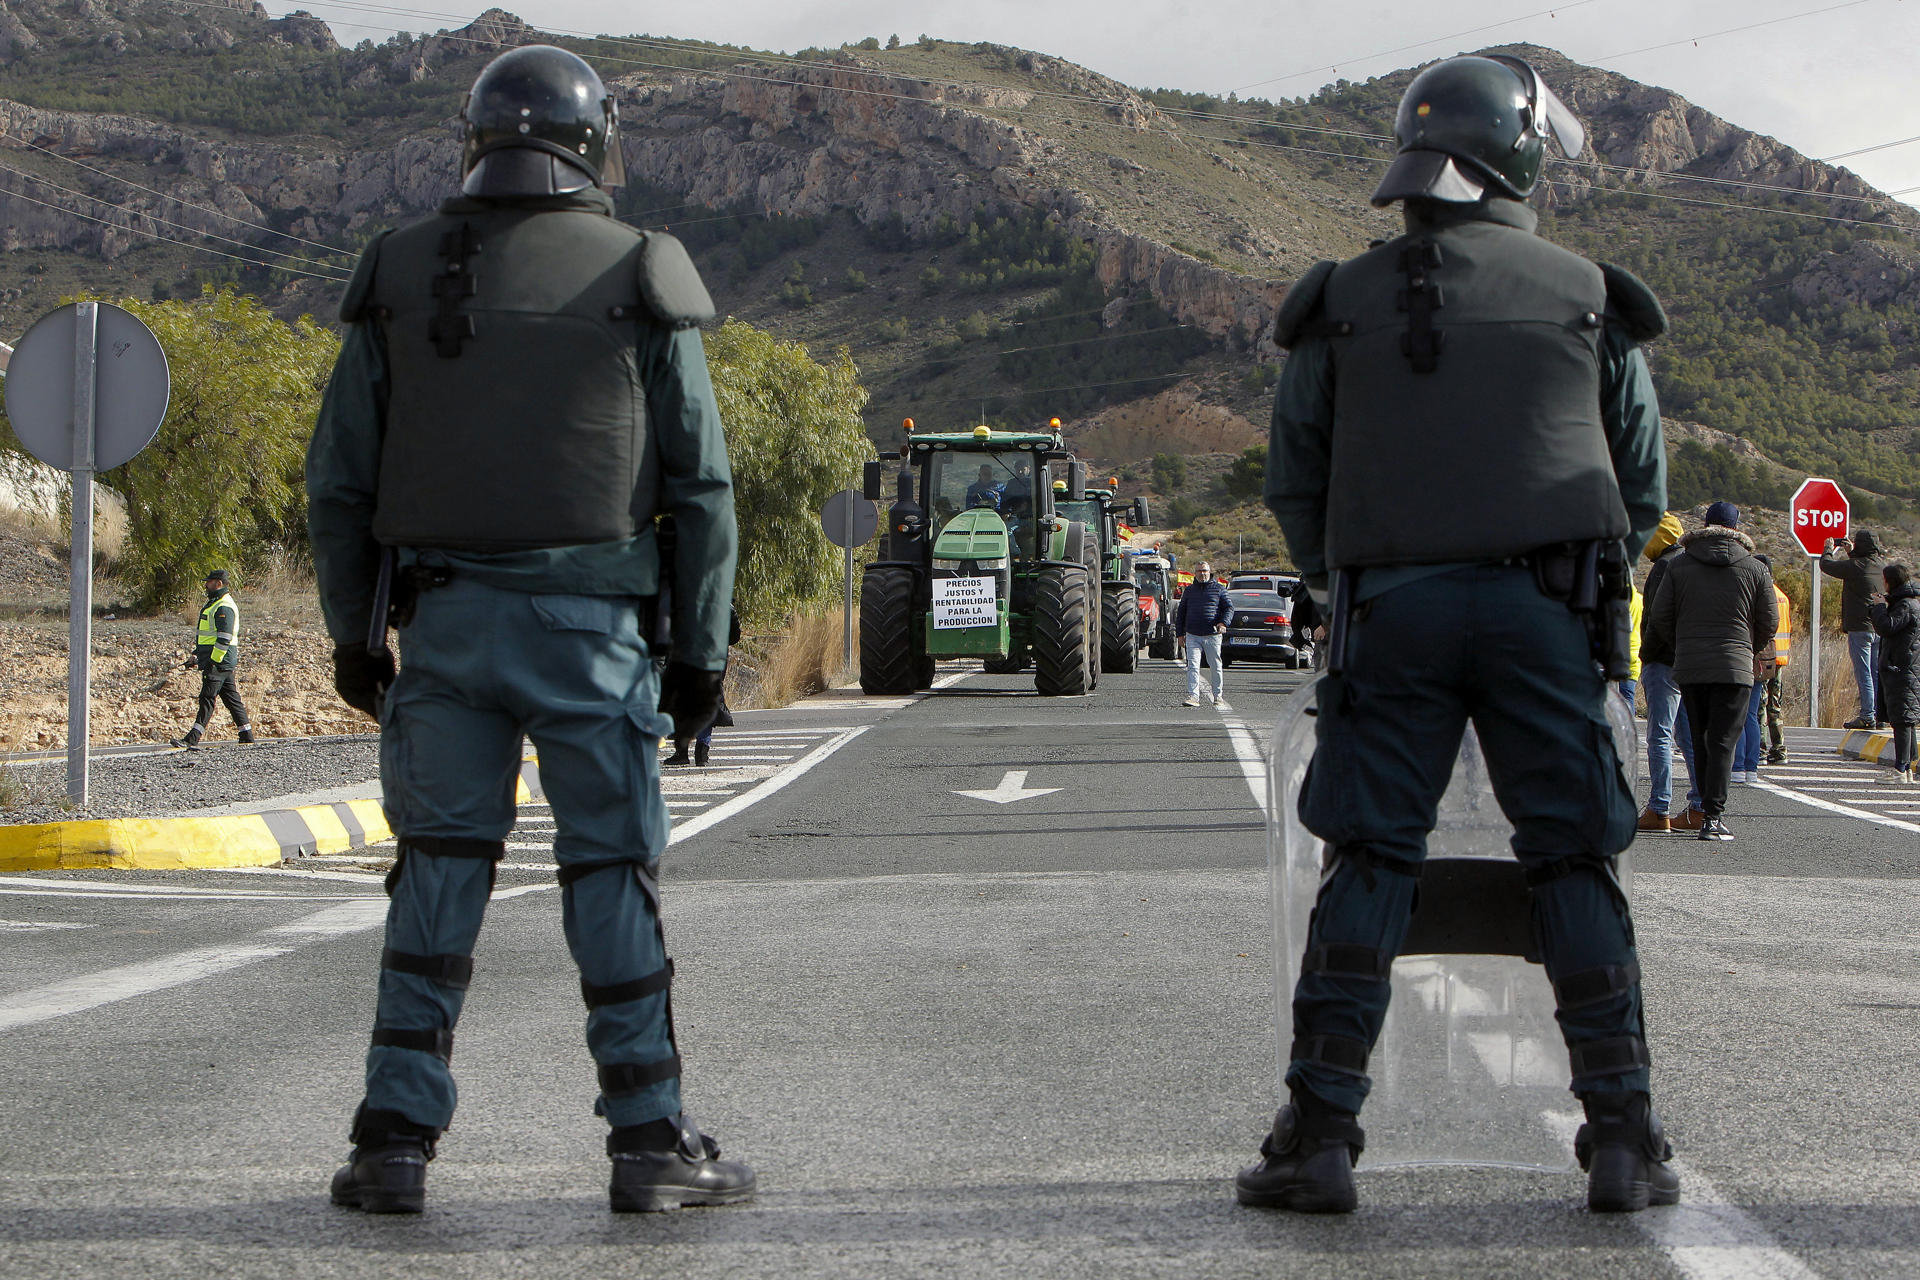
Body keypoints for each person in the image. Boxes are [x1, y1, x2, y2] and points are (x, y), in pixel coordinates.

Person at [305, 46, 751, 1215]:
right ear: (594, 143)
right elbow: (703, 488)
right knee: (609, 871)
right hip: (591, 631)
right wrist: (701, 658)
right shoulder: (642, 273)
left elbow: (339, 483)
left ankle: (392, 1139)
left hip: (445, 626)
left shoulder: (396, 272)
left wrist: (357, 636)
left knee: (437, 873)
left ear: (477, 141)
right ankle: (649, 1137)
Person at [1252, 53, 1676, 1214]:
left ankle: (1322, 1133)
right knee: (1572, 852)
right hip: (1547, 612)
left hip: (1393, 610)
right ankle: (1624, 1133)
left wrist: (1351, 580)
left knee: (1370, 853)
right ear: (1521, 152)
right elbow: (1641, 484)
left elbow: (1298, 478)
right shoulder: (1590, 294)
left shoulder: (1336, 301)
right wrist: (1583, 585)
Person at [1644, 503, 1776, 842]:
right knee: (1722, 742)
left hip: (1692, 666)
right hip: (1734, 667)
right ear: (1737, 528)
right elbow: (1769, 622)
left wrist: (1685, 644)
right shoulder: (1755, 569)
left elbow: (1660, 617)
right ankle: (1711, 816)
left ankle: (1703, 810)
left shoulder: (1679, 566)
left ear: (1705, 526)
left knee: (1699, 738)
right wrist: (1746, 646)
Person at [1636, 514, 1701, 833]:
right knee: (1688, 736)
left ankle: (1658, 807)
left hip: (1663, 661)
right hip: (1688, 661)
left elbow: (1658, 617)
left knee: (1659, 735)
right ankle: (1700, 805)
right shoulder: (1689, 563)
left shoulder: (1664, 567)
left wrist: (1647, 653)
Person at [169, 569, 254, 749]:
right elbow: (209, 637)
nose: (206, 585)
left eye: (209, 582)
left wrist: (213, 661)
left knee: (207, 698)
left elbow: (224, 638)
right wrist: (196, 655)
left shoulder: (224, 606)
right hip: (219, 660)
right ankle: (246, 734)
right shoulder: (216, 603)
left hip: (219, 661)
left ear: (219, 584)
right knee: (231, 698)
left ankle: (192, 738)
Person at [1820, 530, 1889, 729]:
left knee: (1864, 672)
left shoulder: (1856, 566)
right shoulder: (1880, 566)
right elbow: (1860, 571)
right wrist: (1852, 553)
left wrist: (1828, 549)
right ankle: (1879, 716)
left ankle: (1868, 715)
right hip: (1879, 627)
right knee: (1876, 673)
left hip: (1860, 627)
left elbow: (1827, 565)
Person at [1867, 562, 1918, 783]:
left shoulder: (1905, 606)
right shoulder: (1906, 603)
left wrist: (1878, 607)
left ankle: (1900, 769)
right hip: (1905, 668)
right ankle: (1907, 767)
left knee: (1902, 719)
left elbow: (1886, 627)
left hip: (1902, 669)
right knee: (1905, 719)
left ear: (1890, 581)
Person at [1174, 562, 1231, 709]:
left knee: (1215, 665)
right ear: (1195, 573)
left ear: (1210, 572)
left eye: (1204, 571)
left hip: (1212, 635)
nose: (1202, 574)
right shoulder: (1189, 591)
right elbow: (1181, 613)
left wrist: (1223, 623)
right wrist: (1180, 634)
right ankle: (1193, 696)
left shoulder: (1219, 589)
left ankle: (1218, 696)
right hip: (1192, 635)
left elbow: (1229, 608)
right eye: (1199, 571)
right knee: (1192, 666)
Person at [1764, 566, 1791, 765]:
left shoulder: (1763, 594)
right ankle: (1779, 748)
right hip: (1780, 658)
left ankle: (1760, 748)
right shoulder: (1782, 596)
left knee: (1758, 706)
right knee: (1775, 706)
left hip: (1765, 658)